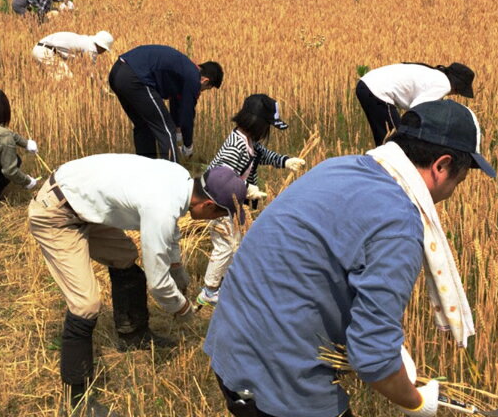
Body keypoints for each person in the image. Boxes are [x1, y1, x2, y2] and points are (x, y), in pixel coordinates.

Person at [204, 99, 495, 417]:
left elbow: (317, 267)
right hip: (281, 382)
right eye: (460, 180)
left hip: (230, 349)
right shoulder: (398, 220)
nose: (454, 191)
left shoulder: (340, 167)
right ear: (441, 165)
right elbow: (374, 358)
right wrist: (419, 404)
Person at [28, 159, 247, 417]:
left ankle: (133, 334)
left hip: (79, 200)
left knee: (124, 256)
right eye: (220, 214)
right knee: (85, 304)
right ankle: (77, 401)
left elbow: (170, 231)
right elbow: (158, 284)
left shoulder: (180, 178)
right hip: (56, 212)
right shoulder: (162, 207)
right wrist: (182, 308)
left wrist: (176, 267)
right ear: (208, 205)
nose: (217, 220)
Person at [196, 94, 305, 308]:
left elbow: (262, 155)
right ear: (258, 123)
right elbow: (220, 178)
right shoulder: (235, 145)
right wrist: (246, 189)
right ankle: (209, 290)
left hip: (232, 203)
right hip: (218, 204)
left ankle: (226, 284)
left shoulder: (248, 142)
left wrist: (285, 161)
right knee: (225, 246)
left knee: (236, 243)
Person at [109, 44, 223, 162]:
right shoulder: (194, 78)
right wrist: (188, 145)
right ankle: (172, 176)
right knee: (167, 129)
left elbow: (177, 104)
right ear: (205, 81)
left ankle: (146, 170)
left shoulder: (184, 70)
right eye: (206, 88)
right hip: (135, 77)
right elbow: (187, 114)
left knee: (144, 126)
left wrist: (179, 133)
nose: (201, 91)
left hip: (117, 72)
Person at [356, 61, 475, 146]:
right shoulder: (444, 85)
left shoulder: (435, 75)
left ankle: (381, 173)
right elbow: (417, 110)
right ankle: (387, 176)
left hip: (366, 84)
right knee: (395, 143)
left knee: (385, 140)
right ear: (457, 87)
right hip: (377, 91)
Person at [31, 30, 114, 80]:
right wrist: (101, 87)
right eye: (104, 49)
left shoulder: (86, 40)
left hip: (40, 48)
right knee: (67, 79)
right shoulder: (92, 48)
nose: (103, 52)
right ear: (101, 46)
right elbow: (90, 71)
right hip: (46, 51)